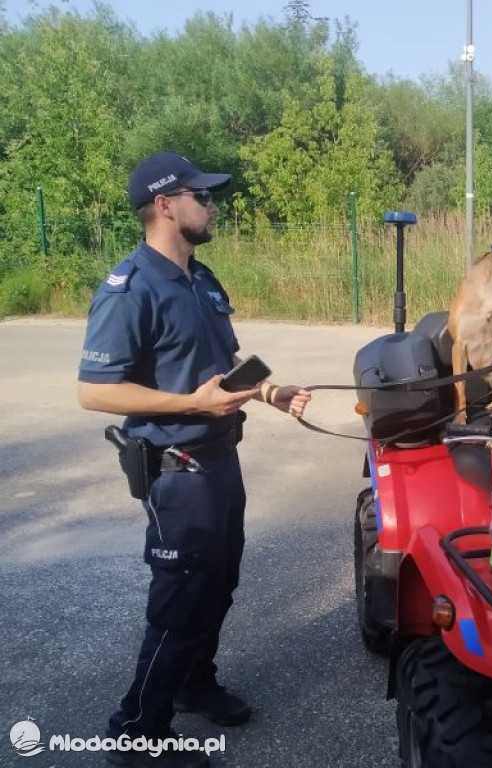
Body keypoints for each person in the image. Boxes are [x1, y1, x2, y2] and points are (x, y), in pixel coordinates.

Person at [78, 152, 312, 768]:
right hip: (176, 468)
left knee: (219, 582)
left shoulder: (201, 279)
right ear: (164, 205)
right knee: (180, 599)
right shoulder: (130, 288)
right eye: (200, 196)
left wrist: (268, 391)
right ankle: (136, 734)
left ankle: (192, 682)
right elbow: (95, 390)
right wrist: (190, 403)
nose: (211, 206)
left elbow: (223, 364)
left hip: (220, 460)